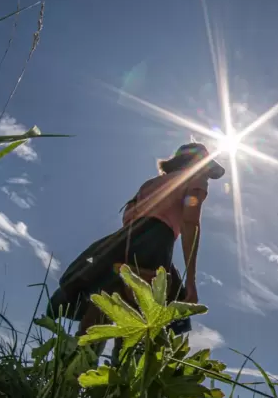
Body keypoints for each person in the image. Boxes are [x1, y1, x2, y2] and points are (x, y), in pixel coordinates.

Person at [48, 141, 224, 356]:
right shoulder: (197, 178)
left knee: (104, 305)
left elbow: (128, 217)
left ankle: (72, 375)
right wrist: (190, 280)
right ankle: (122, 380)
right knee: (138, 316)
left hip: (122, 241)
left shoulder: (151, 183)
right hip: (155, 242)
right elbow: (190, 223)